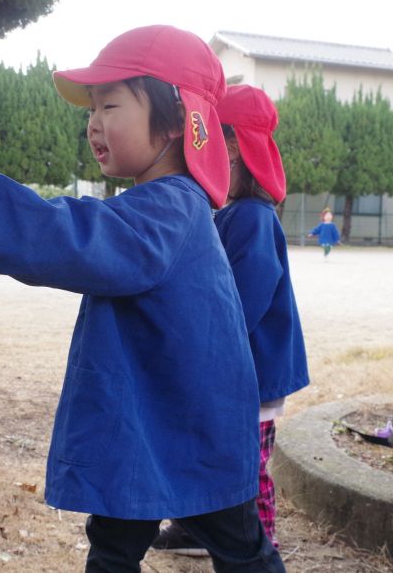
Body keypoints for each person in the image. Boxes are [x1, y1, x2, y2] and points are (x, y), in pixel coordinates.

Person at [0, 25, 285, 573]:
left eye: (111, 104)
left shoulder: (168, 209)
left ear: (179, 121)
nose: (94, 123)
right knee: (125, 547)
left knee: (235, 550)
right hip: (162, 424)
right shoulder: (167, 206)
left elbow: (70, 236)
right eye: (91, 109)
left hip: (185, 426)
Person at [152, 84, 309, 556]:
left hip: (250, 372)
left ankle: (260, 545)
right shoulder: (230, 213)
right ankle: (191, 529)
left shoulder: (252, 218)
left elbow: (244, 299)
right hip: (229, 367)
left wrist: (202, 337)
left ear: (234, 149)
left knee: (244, 464)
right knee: (205, 447)